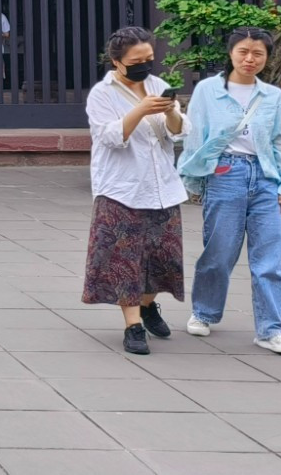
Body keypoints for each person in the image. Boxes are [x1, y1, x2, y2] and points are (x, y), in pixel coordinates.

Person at [179, 27, 281, 357]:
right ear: (231, 53)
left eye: (258, 53)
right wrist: (194, 180)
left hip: (265, 177)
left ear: (266, 57)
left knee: (270, 258)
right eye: (243, 52)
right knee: (219, 252)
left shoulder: (272, 96)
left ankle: (272, 329)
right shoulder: (207, 90)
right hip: (225, 172)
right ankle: (204, 311)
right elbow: (195, 136)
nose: (250, 59)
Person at [83, 27, 187, 355]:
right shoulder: (102, 94)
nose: (144, 66)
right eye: (136, 61)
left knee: (163, 259)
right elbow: (110, 137)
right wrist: (140, 109)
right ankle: (133, 326)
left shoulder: (157, 85)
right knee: (125, 261)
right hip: (121, 189)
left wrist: (172, 111)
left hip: (163, 188)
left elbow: (180, 134)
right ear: (117, 62)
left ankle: (147, 305)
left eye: (149, 59)